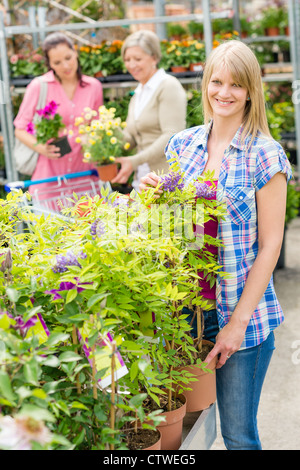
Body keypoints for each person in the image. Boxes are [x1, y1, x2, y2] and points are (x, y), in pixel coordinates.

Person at [139, 40, 292, 450]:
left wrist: (235, 326)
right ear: (205, 83)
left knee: (238, 437)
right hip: (184, 317)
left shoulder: (266, 156)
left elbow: (271, 245)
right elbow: (173, 229)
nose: (224, 93)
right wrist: (154, 194)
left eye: (236, 85)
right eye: (216, 81)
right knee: (186, 432)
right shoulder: (183, 145)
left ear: (251, 91)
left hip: (241, 318)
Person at [14, 32, 103, 205]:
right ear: (49, 64)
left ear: (75, 52)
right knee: (50, 230)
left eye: (68, 57)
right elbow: (20, 128)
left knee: (87, 229)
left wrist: (91, 138)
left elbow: (97, 126)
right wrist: (41, 148)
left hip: (84, 176)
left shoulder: (93, 87)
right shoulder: (39, 86)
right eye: (57, 62)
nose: (66, 65)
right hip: (49, 177)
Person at [111, 30, 187, 191]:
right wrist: (105, 131)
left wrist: (135, 160)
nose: (131, 65)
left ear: (154, 57)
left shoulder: (168, 86)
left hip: (165, 180)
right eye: (127, 59)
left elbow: (171, 135)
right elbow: (131, 138)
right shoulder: (138, 93)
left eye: (137, 59)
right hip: (143, 180)